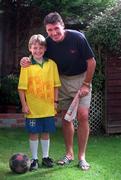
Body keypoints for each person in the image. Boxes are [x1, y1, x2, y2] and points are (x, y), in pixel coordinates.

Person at [20, 12, 96, 170]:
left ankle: (82, 157)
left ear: (63, 25)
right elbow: (36, 55)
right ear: (46, 30)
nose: (53, 33)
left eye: (56, 28)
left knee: (83, 115)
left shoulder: (77, 38)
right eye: (49, 30)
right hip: (61, 81)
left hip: (81, 79)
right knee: (67, 119)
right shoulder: (48, 43)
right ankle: (69, 154)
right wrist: (25, 60)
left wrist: (86, 84)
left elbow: (91, 61)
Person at [18, 34, 61, 171]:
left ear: (45, 48)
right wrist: (24, 105)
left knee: (46, 132)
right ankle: (35, 159)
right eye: (35, 48)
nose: (38, 50)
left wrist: (55, 102)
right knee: (34, 133)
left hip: (48, 107)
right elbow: (21, 88)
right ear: (30, 48)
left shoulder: (52, 64)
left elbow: (56, 85)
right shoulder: (26, 66)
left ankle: (46, 157)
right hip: (32, 108)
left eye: (40, 48)